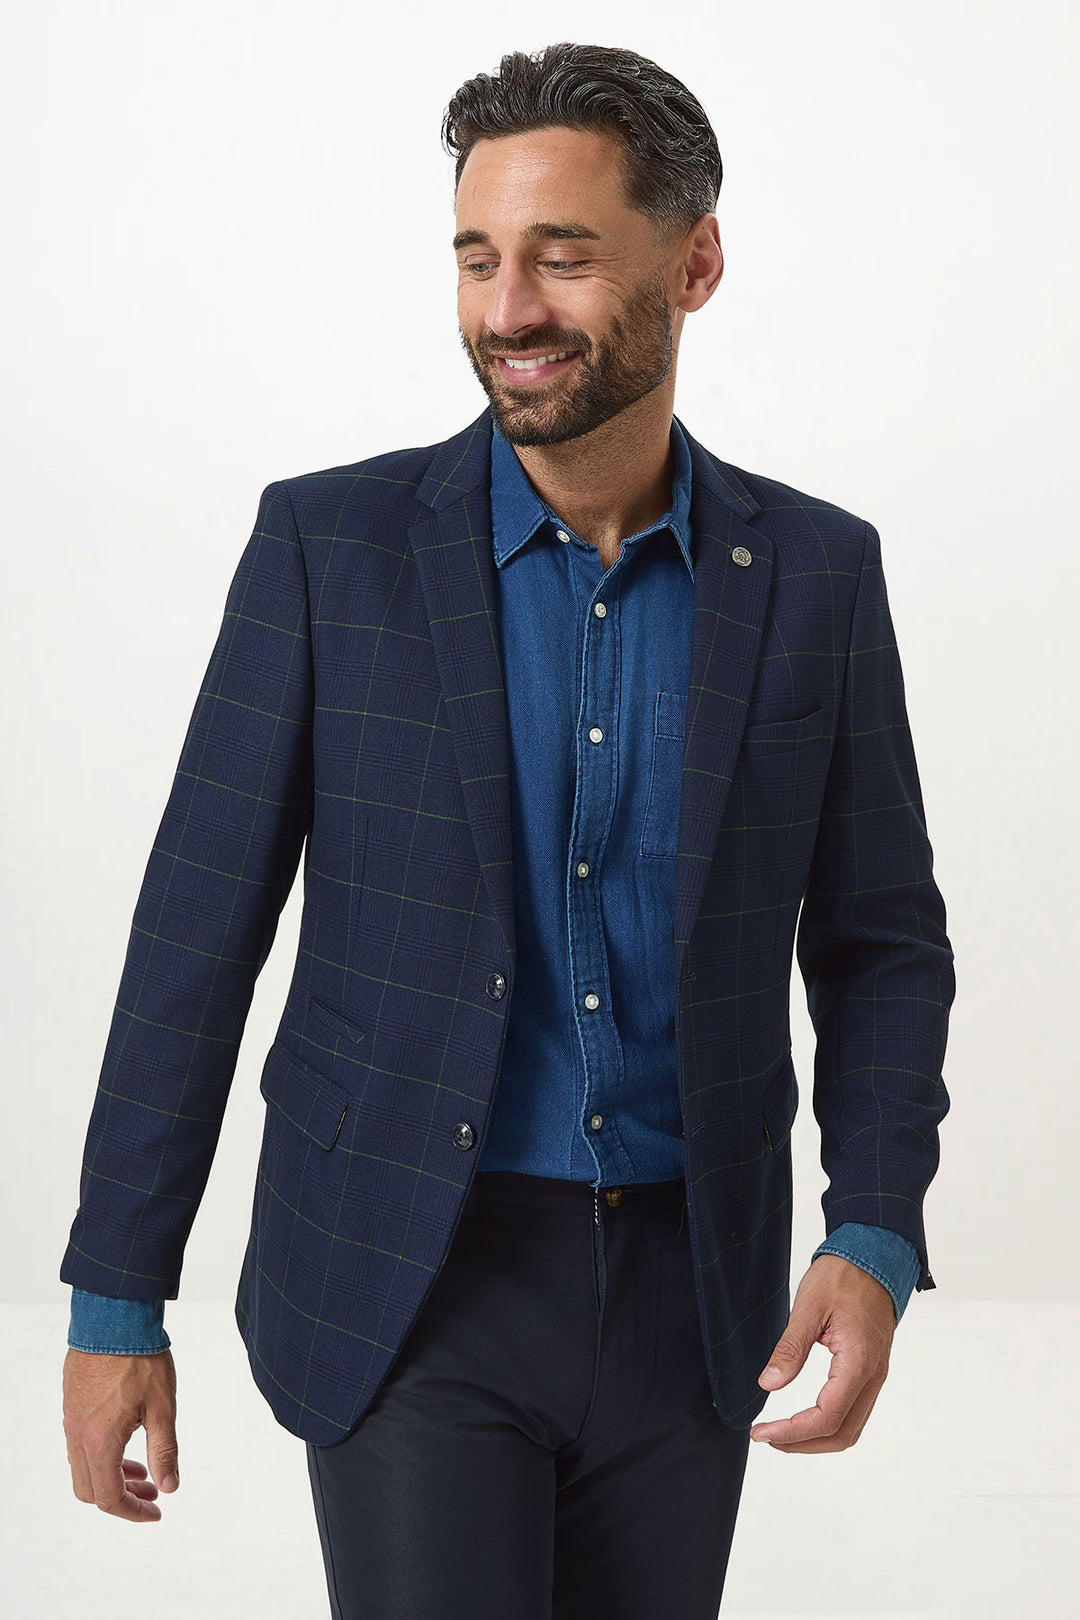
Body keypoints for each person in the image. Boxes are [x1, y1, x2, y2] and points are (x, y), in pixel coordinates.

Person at [60, 41, 955, 1619]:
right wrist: (117, 1293)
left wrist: (872, 1227)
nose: (508, 307)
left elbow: (882, 942)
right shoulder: (330, 551)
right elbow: (196, 934)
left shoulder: (815, 575)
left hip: (699, 1301)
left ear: (696, 264)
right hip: (414, 1278)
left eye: (561, 254)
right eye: (478, 255)